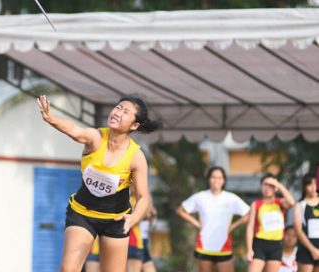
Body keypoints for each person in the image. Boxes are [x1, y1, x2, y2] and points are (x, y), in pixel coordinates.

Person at [37, 94, 161, 272]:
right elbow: (75, 130)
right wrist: (51, 119)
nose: (118, 112)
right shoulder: (95, 137)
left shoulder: (136, 157)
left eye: (125, 112)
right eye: (118, 107)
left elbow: (143, 197)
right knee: (67, 269)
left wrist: (133, 218)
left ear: (134, 125)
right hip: (82, 213)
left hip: (115, 219)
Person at [176, 166, 250, 272]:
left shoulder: (231, 198)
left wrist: (234, 225)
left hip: (224, 246)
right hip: (204, 246)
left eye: (220, 178)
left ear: (224, 180)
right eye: (213, 177)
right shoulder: (200, 197)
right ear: (208, 179)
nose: (216, 180)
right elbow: (180, 210)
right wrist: (196, 223)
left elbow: (250, 213)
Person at [245, 173, 295, 271]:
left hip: (276, 245)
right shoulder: (256, 204)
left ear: (275, 188)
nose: (267, 188)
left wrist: (279, 184)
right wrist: (249, 249)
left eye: (271, 185)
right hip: (260, 244)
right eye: (265, 185)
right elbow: (250, 227)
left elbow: (292, 202)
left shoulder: (280, 202)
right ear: (261, 187)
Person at [293, 174, 319, 272]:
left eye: (315, 184)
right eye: (309, 185)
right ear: (304, 187)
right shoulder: (300, 205)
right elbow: (298, 230)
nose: (313, 188)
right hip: (306, 250)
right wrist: (313, 250)